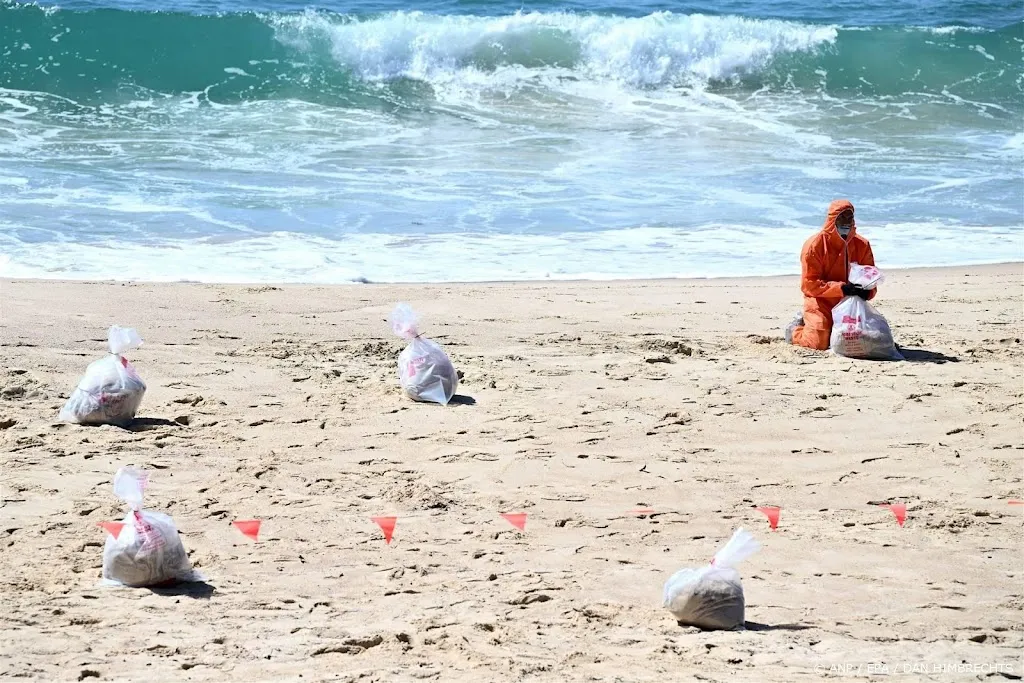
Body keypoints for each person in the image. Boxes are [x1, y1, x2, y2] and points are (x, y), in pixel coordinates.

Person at [786, 199, 876, 350]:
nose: (846, 222)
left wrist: (867, 292)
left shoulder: (862, 245)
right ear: (832, 218)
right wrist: (842, 288)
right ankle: (795, 330)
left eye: (850, 217)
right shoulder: (815, 245)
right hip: (821, 301)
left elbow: (870, 275)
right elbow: (809, 284)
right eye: (842, 217)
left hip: (850, 301)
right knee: (819, 341)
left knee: (866, 338)